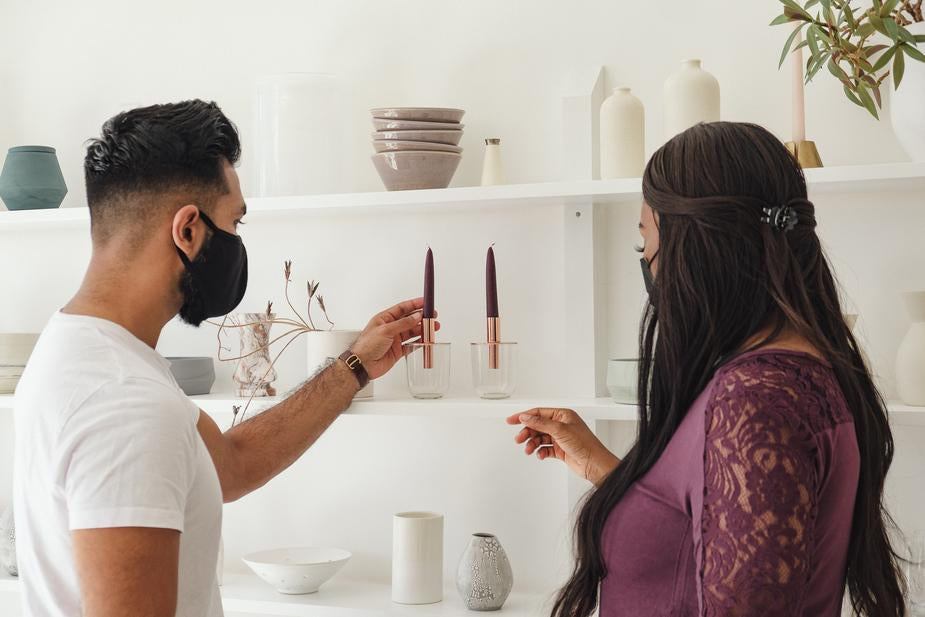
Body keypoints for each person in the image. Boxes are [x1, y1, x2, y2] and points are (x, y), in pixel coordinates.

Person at [13, 100, 433, 617]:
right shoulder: (125, 405)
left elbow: (229, 466)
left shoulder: (82, 351)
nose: (236, 241)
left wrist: (354, 367)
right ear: (187, 229)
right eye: (234, 221)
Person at [508, 122, 905, 617]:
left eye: (646, 243)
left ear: (699, 244)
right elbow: (701, 539)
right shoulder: (798, 375)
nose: (649, 264)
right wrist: (603, 470)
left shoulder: (753, 402)